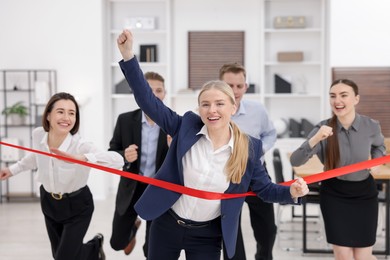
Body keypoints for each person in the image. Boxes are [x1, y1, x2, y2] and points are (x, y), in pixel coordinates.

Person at [116, 29, 309, 260]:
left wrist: (292, 192)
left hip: (207, 235)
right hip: (166, 225)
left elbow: (265, 189)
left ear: (233, 107)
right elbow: (148, 101)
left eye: (219, 103)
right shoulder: (185, 126)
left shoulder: (248, 148)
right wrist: (128, 55)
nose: (212, 110)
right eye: (205, 104)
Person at [0, 92, 124, 260]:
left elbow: (118, 160)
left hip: (78, 205)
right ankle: (94, 249)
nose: (66, 117)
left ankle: (93, 248)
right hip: (49, 203)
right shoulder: (38, 135)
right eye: (60, 111)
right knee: (60, 254)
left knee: (63, 258)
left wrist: (82, 158)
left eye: (71, 113)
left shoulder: (80, 145)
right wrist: (12, 170)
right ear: (48, 115)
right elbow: (37, 156)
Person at [290, 79, 386, 260]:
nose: (337, 100)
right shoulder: (322, 128)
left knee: (363, 256)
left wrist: (377, 160)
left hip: (364, 194)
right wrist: (316, 138)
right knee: (343, 255)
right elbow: (296, 160)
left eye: (343, 95)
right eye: (333, 96)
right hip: (334, 195)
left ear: (356, 99)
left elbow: (380, 147)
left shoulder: (371, 126)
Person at [219, 63, 277, 260]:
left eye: (239, 85)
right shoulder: (211, 111)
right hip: (225, 176)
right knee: (230, 229)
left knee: (268, 229)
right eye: (229, 85)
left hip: (256, 172)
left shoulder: (257, 110)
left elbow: (270, 133)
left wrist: (261, 150)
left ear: (245, 86)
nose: (235, 91)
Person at [109, 71, 170, 257]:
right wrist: (124, 155)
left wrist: (173, 148)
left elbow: (184, 161)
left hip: (158, 189)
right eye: (148, 90)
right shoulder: (125, 120)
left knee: (152, 250)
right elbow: (112, 152)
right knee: (117, 243)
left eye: (158, 90)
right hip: (131, 187)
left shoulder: (173, 122)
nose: (154, 94)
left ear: (164, 94)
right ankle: (133, 228)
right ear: (139, 93)